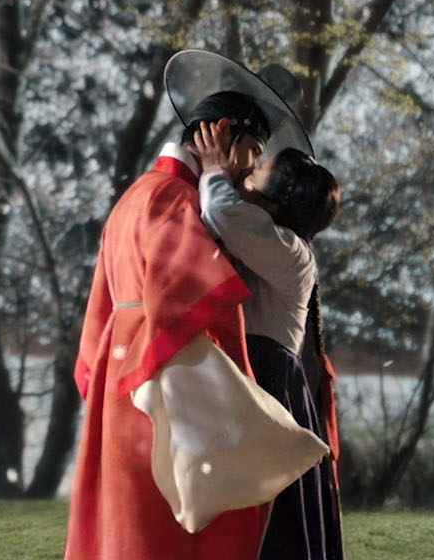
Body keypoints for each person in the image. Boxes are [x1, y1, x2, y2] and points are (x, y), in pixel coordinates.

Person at [64, 91, 275, 560]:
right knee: (168, 526)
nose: (251, 169)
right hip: (158, 378)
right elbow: (198, 303)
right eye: (253, 152)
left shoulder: (136, 195)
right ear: (223, 132)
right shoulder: (175, 199)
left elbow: (100, 307)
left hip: (120, 370)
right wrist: (243, 383)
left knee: (127, 521)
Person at [195, 119, 343, 560]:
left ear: (277, 203)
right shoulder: (276, 242)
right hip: (256, 380)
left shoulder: (291, 252)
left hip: (268, 386)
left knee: (269, 525)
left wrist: (213, 169)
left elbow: (225, 214)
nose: (248, 172)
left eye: (257, 171)